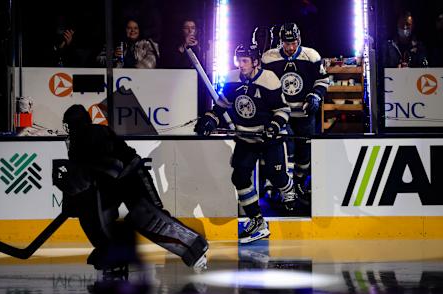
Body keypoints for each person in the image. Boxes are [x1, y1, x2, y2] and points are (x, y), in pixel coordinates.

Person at [53, 104, 208, 271]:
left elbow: (112, 166)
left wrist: (89, 181)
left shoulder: (93, 135)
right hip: (113, 182)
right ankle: (113, 253)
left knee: (149, 217)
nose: (68, 129)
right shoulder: (81, 139)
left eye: (69, 124)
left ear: (75, 123)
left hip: (132, 176)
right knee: (95, 217)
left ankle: (196, 248)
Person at [194, 44, 294, 244]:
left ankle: (288, 189)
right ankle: (257, 221)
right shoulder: (232, 78)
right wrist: (210, 119)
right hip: (246, 138)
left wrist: (273, 126)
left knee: (277, 177)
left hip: (270, 139)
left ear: (255, 62)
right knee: (239, 177)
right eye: (238, 60)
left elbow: (283, 110)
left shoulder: (268, 79)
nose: (240, 65)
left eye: (245, 61)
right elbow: (222, 105)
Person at [261, 22, 329, 205]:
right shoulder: (269, 58)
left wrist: (315, 95)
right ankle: (285, 187)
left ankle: (298, 183)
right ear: (280, 41)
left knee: (304, 153)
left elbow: (323, 80)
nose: (290, 47)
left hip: (305, 113)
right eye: (286, 43)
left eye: (293, 43)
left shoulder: (311, 55)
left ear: (299, 39)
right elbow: (261, 83)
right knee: (286, 150)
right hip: (281, 114)